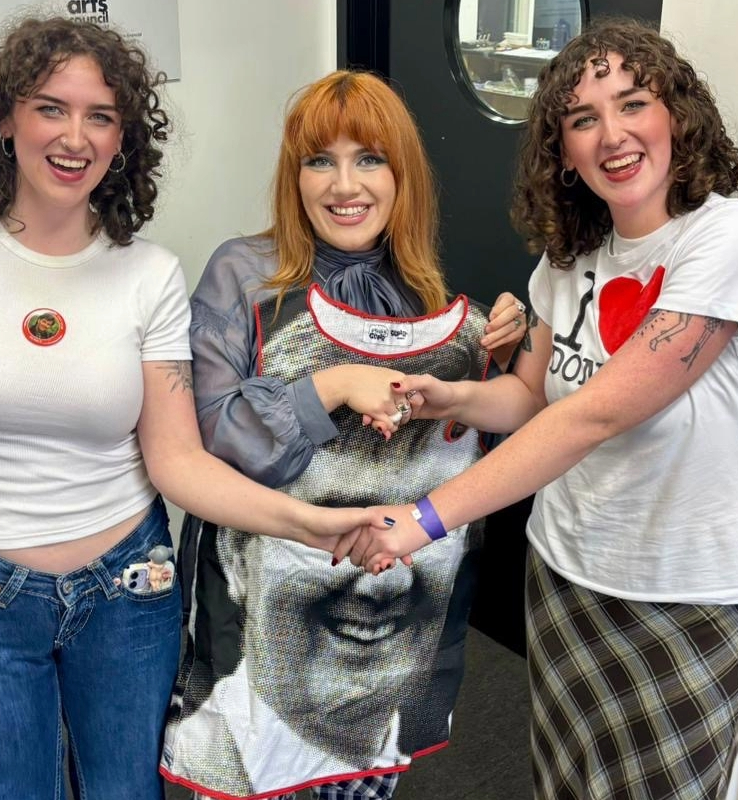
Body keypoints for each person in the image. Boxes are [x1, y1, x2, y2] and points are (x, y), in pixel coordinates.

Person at [0, 18, 371, 800]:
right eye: (50, 108)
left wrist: (306, 523)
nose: (74, 137)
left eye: (101, 116)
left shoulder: (148, 274)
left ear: (123, 138)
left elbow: (177, 458)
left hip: (128, 590)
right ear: (4, 119)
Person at [341, 19, 738, 800]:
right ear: (563, 150)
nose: (612, 135)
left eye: (633, 103)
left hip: (686, 592)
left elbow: (594, 416)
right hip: (568, 571)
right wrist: (446, 398)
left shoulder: (730, 239)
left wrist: (421, 520)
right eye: (583, 119)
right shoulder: (570, 255)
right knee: (563, 784)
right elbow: (532, 395)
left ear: (678, 115)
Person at [160, 70, 527, 800]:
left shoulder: (421, 288)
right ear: (293, 177)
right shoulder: (245, 276)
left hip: (388, 615)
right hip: (268, 621)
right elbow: (206, 434)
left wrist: (500, 346)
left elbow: (486, 431)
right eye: (320, 161)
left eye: (370, 159)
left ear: (402, 174)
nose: (344, 185)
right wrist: (330, 387)